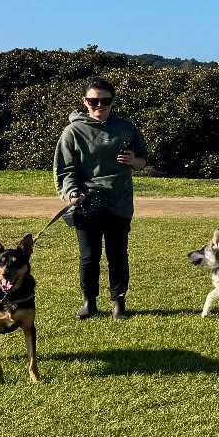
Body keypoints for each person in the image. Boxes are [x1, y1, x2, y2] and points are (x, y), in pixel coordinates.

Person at [54, 77, 150, 321]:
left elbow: (143, 160)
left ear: (113, 101)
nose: (99, 105)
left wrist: (134, 162)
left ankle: (119, 302)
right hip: (86, 201)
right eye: (93, 100)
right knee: (89, 255)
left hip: (119, 200)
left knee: (118, 254)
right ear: (85, 101)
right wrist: (72, 193)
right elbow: (65, 169)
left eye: (105, 100)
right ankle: (90, 302)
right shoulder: (73, 131)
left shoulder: (126, 127)